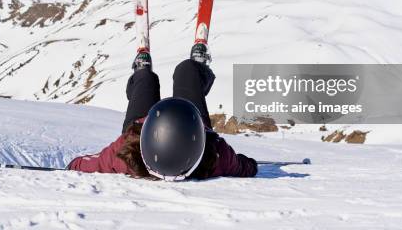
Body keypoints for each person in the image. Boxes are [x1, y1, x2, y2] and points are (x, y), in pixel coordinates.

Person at [66, 44, 258, 180]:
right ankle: (196, 68)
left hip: (142, 125)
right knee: (187, 70)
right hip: (190, 121)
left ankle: (142, 72)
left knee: (145, 79)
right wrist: (250, 164)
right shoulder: (216, 155)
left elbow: (88, 163)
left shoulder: (127, 151)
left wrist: (73, 165)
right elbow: (243, 166)